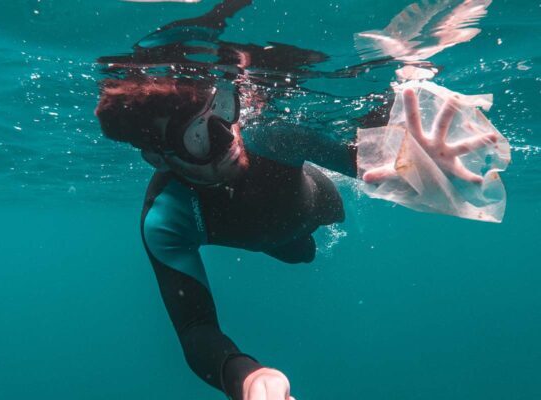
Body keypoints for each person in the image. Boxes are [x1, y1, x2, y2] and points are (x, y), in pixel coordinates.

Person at [94, 2, 496, 399]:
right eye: (197, 137)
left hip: (318, 205)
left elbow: (369, 164)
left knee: (307, 239)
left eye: (221, 110)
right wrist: (248, 379)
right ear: (159, 157)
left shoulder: (271, 138)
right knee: (299, 253)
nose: (228, 136)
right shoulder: (167, 216)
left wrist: (419, 163)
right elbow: (196, 327)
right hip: (278, 238)